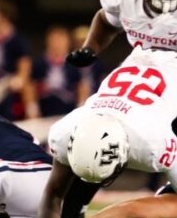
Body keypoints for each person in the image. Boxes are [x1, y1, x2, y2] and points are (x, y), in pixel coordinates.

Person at [39, 47, 177, 218]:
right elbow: (53, 195)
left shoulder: (153, 145)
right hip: (141, 63)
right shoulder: (63, 134)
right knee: (74, 194)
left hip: (169, 76)